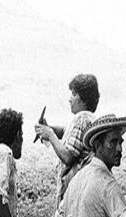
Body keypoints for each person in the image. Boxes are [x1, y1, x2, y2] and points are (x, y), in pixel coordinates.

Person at [34, 73, 99, 207]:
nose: (70, 99)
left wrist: (50, 135)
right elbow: (67, 132)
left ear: (84, 99)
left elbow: (68, 157)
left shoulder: (81, 119)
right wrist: (48, 128)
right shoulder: (89, 118)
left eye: (74, 94)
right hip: (84, 186)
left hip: (75, 188)